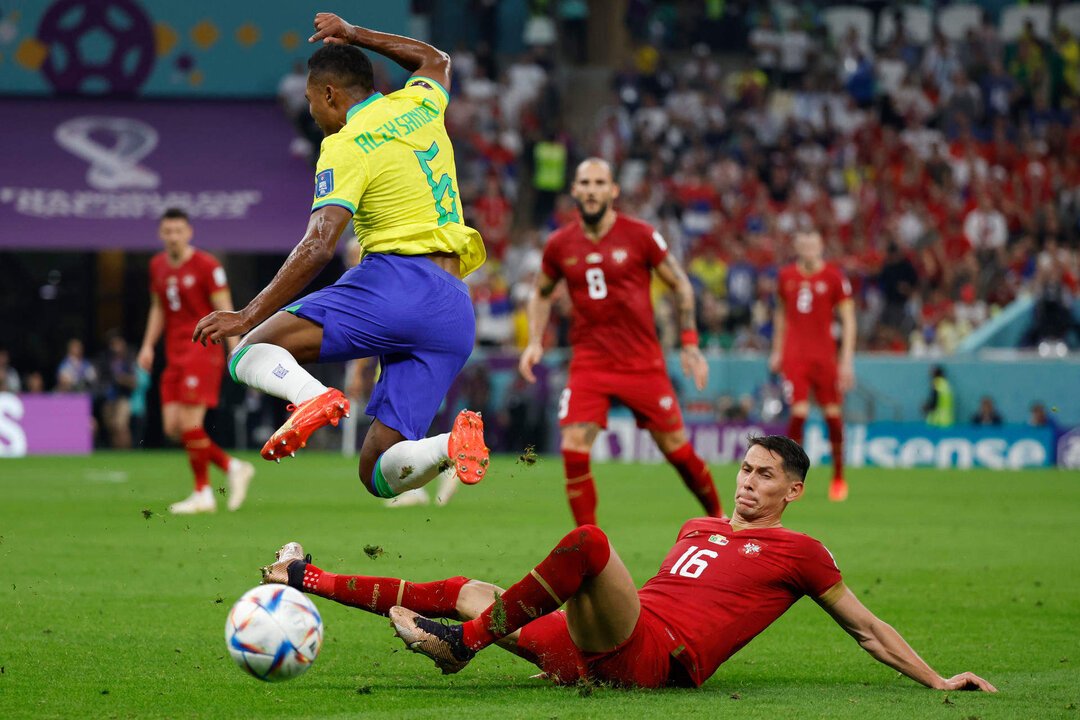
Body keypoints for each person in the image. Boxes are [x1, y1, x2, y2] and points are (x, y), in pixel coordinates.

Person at [260, 436, 996, 693]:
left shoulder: (799, 552)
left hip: (652, 655)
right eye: (745, 469)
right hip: (601, 645)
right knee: (465, 589)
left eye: (766, 476)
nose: (747, 482)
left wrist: (936, 679)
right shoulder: (697, 523)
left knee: (589, 544)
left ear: (793, 492)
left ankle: (461, 649)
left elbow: (865, 627)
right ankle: (303, 580)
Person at [193, 13, 489, 502]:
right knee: (377, 474)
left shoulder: (345, 144)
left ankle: (313, 397)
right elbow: (434, 59)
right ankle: (447, 445)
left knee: (248, 352)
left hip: (398, 281)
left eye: (312, 102)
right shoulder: (419, 103)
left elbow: (319, 244)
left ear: (330, 94)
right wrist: (356, 35)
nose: (313, 115)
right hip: (454, 310)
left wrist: (246, 314)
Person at [518, 158, 722, 526]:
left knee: (675, 448)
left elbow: (679, 283)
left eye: (600, 183)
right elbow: (541, 292)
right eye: (585, 183)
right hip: (590, 363)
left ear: (613, 191)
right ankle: (590, 548)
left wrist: (690, 342)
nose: (592, 190)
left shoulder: (641, 235)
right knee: (573, 445)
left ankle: (723, 521)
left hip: (641, 362)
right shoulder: (560, 243)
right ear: (575, 191)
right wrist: (535, 341)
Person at [138, 208, 255, 514]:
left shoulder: (207, 265)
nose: (173, 237)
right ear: (161, 234)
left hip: (202, 350)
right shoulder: (157, 266)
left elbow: (226, 310)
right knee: (173, 428)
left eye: (179, 231)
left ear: (189, 233)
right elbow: (158, 308)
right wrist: (148, 345)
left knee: (190, 424)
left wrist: (236, 350)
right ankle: (233, 466)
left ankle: (203, 493)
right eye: (168, 231)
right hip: (173, 353)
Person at [769, 231, 856, 502]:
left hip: (825, 356)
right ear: (797, 247)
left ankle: (839, 477)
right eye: (803, 244)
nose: (808, 249)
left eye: (813, 244)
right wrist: (776, 351)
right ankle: (792, 478)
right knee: (799, 412)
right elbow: (781, 314)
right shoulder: (785, 276)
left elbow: (849, 320)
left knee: (832, 414)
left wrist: (846, 361)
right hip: (795, 355)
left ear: (821, 247)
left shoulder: (834, 278)